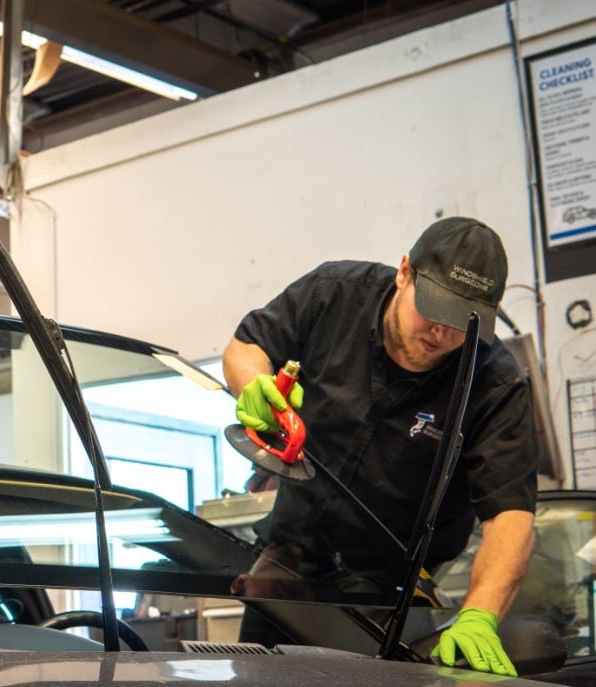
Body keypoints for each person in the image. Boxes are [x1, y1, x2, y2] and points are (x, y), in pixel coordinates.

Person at [222, 217, 537, 676]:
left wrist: (480, 613)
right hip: (286, 561)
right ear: (404, 272)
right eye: (433, 310)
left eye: (460, 325)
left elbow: (510, 516)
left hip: (390, 588)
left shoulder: (496, 383)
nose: (441, 335)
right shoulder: (332, 294)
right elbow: (246, 345)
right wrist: (252, 385)